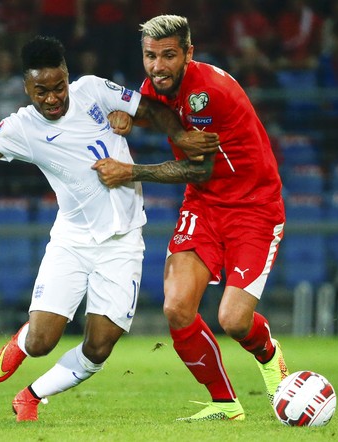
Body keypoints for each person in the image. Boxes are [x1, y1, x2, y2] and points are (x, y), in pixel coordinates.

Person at [0, 35, 218, 422]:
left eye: (58, 87)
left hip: (124, 241)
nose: (52, 98)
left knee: (99, 348)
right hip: (72, 241)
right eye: (41, 91)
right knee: (42, 341)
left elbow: (151, 108)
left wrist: (175, 133)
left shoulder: (94, 90)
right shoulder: (22, 128)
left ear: (67, 76)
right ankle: (23, 340)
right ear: (27, 88)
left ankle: (30, 397)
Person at [92, 15, 289, 422]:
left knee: (234, 320)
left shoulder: (206, 95)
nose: (157, 66)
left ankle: (270, 357)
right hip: (203, 205)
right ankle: (225, 405)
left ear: (188, 54)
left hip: (253, 207)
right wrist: (130, 116)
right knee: (177, 307)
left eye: (168, 55)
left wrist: (130, 171)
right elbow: (153, 109)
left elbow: (199, 169)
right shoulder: (158, 85)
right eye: (150, 56)